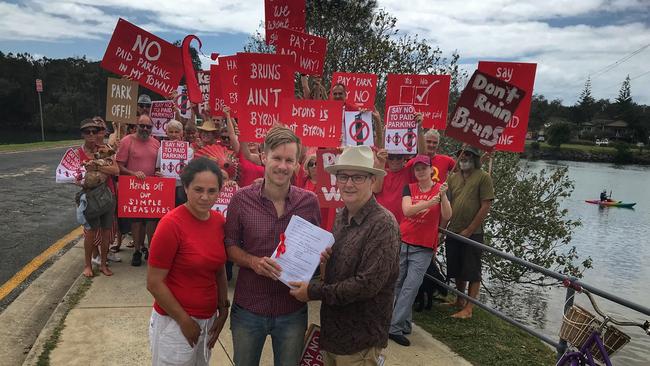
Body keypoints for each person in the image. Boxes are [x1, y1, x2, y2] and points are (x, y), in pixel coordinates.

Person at [289, 145, 401, 366]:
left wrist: (313, 291)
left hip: (360, 342)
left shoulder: (383, 224)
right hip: (334, 335)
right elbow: (338, 271)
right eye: (343, 176)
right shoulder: (342, 216)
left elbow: (366, 285)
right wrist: (323, 259)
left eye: (357, 177)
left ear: (372, 180)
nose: (348, 184)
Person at [224, 126, 321, 366]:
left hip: (291, 309)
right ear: (263, 156)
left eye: (289, 160)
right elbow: (230, 245)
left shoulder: (309, 202)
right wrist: (252, 262)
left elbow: (315, 251)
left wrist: (321, 256)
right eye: (277, 158)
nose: (282, 166)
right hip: (249, 306)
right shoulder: (241, 199)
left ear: (298, 163)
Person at [147, 157, 229, 365]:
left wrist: (223, 308)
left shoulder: (219, 221)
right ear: (185, 187)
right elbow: (154, 283)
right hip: (174, 324)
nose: (205, 197)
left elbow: (218, 268)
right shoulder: (170, 225)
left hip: (208, 320)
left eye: (212, 191)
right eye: (198, 189)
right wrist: (184, 321)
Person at [388, 155, 451, 346]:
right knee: (398, 283)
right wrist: (429, 203)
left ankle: (393, 327)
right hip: (404, 240)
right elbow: (407, 210)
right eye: (417, 169)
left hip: (423, 247)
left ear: (431, 169)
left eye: (424, 168)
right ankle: (404, 323)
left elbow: (447, 215)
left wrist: (443, 196)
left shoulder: (440, 190)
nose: (420, 171)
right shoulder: (410, 188)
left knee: (411, 287)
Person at [445, 145, 495, 319]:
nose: (464, 157)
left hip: (473, 233)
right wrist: (443, 229)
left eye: (468, 155)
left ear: (475, 158)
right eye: (460, 155)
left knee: (472, 270)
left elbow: (486, 205)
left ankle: (469, 308)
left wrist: (469, 230)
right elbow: (447, 204)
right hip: (453, 230)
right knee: (457, 267)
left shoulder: (483, 177)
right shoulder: (452, 178)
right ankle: (459, 300)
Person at [76, 118, 119, 277]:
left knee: (107, 232)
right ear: (82, 134)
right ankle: (87, 265)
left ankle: (103, 264)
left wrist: (97, 166)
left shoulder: (105, 148)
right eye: (88, 132)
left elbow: (115, 170)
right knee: (90, 232)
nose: (92, 134)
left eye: (95, 131)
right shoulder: (77, 153)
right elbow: (75, 177)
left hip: (107, 196)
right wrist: (94, 173)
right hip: (89, 198)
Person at [116, 114, 160, 266]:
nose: (145, 129)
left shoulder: (156, 143)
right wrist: (133, 173)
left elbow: (159, 165)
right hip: (133, 187)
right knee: (136, 222)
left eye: (148, 126)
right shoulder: (126, 141)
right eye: (142, 125)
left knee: (151, 222)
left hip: (152, 188)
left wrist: (159, 172)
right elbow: (119, 166)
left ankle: (150, 249)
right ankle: (136, 250)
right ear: (136, 125)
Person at [156, 120, 194, 206]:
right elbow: (158, 168)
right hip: (166, 186)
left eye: (176, 132)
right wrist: (159, 174)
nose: (174, 134)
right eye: (171, 132)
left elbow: (191, 171)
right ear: (167, 133)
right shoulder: (161, 149)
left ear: (181, 133)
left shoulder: (189, 151)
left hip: (181, 187)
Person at [373, 149, 412, 223]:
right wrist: (381, 162)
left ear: (404, 158)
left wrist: (420, 136)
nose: (395, 160)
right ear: (387, 158)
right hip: (381, 221)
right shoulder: (380, 171)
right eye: (391, 157)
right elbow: (376, 189)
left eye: (399, 157)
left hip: (402, 223)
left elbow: (422, 155)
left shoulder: (409, 171)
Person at [417, 119, 455, 183]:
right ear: (423, 142)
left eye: (435, 143)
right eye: (428, 141)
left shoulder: (448, 161)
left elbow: (461, 173)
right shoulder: (415, 161)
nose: (431, 145)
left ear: (438, 144)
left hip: (440, 192)